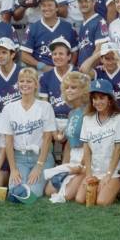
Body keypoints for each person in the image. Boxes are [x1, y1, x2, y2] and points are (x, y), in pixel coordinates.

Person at [0, 67, 56, 197]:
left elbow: (47, 139)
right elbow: (8, 141)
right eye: (22, 81)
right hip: (19, 158)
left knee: (32, 193)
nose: (25, 84)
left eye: (29, 81)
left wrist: (39, 166)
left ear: (36, 84)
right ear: (17, 84)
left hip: (41, 157)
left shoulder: (45, 107)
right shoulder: (9, 108)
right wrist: (13, 169)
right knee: (15, 191)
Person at [75, 79, 120, 206]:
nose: (98, 102)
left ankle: (118, 188)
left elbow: (118, 149)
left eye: (102, 98)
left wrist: (108, 175)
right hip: (95, 170)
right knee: (80, 199)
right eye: (95, 98)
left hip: (113, 171)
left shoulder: (119, 118)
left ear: (109, 99)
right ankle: (104, 188)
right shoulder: (87, 119)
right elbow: (86, 149)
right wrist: (88, 175)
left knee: (101, 202)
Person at [44, 71, 90, 201]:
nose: (69, 90)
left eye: (74, 87)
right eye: (67, 87)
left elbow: (91, 143)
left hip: (86, 159)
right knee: (49, 191)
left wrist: (81, 165)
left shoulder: (88, 112)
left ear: (83, 90)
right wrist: (63, 168)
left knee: (66, 195)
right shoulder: (71, 113)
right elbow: (69, 144)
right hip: (73, 157)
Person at [21, 0, 78, 71]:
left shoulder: (68, 27)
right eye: (43, 5)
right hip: (41, 71)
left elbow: (74, 52)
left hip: (64, 71)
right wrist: (41, 66)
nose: (46, 8)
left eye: (50, 5)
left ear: (57, 8)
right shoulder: (33, 28)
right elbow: (24, 55)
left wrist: (69, 68)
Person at [38, 37, 76, 155]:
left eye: (61, 53)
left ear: (69, 56)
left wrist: (69, 128)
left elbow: (82, 106)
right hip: (53, 119)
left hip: (73, 119)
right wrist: (53, 130)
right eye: (54, 54)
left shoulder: (77, 74)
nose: (57, 57)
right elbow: (44, 106)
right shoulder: (45, 77)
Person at [79, 42, 120, 111]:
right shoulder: (98, 71)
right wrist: (99, 53)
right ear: (101, 59)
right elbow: (83, 70)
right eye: (107, 58)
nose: (110, 62)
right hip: (103, 113)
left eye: (113, 58)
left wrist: (119, 58)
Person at [75, 0, 109, 68]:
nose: (83, 4)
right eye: (80, 1)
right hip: (83, 70)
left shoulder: (100, 21)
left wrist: (88, 68)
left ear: (94, 2)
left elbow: (99, 50)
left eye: (87, 1)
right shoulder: (83, 24)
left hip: (94, 70)